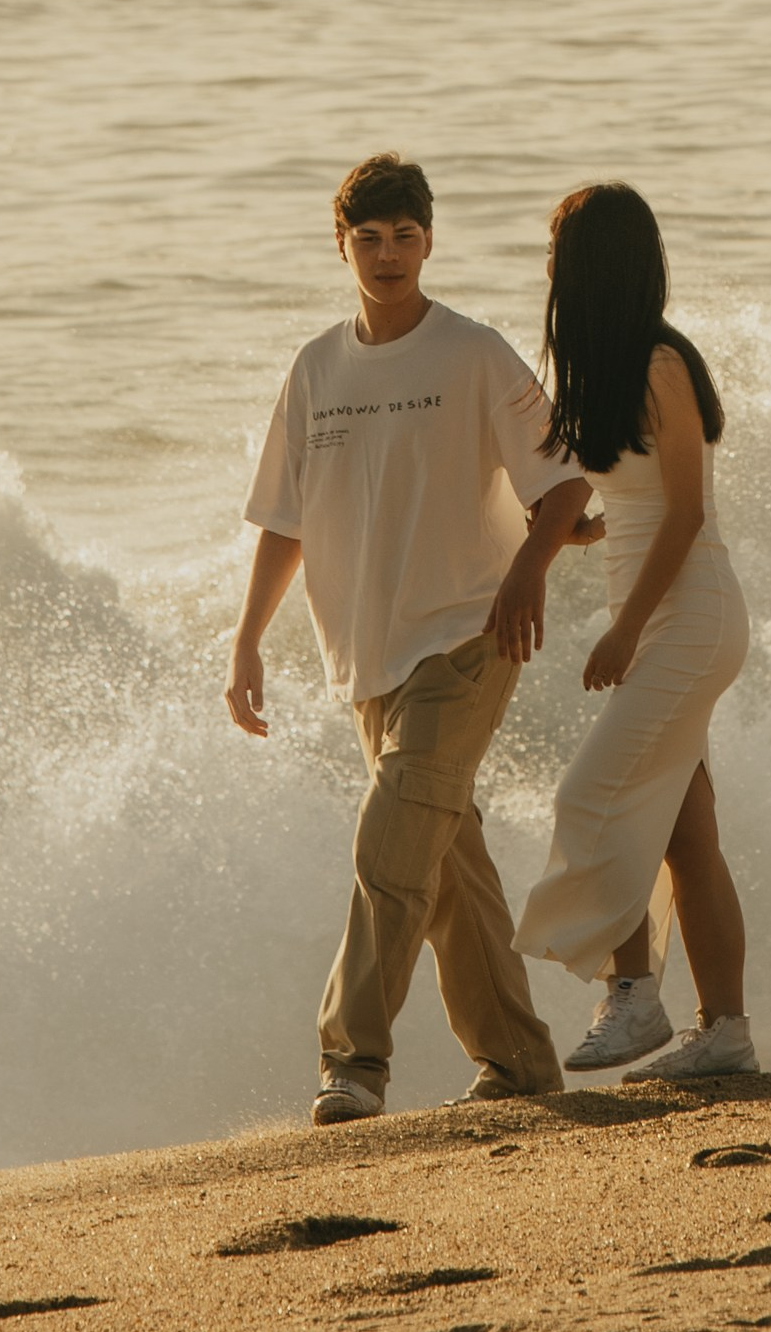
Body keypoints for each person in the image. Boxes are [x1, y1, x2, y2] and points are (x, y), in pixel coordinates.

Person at [225, 152, 597, 1125]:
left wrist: (527, 572)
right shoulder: (316, 369)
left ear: (430, 241)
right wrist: (246, 644)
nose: (388, 256)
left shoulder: (473, 354)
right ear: (340, 244)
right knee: (447, 872)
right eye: (369, 239)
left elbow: (563, 485)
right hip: (365, 659)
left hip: (470, 635)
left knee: (391, 844)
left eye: (405, 237)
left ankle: (351, 1063)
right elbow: (283, 520)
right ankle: (518, 1064)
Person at [512, 182, 758, 1081]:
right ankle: (726, 1030)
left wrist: (624, 630)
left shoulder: (659, 362)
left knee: (591, 799)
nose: (546, 270)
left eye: (555, 254)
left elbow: (688, 513)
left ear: (588, 267)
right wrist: (585, 531)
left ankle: (632, 998)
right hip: (670, 619)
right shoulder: (612, 368)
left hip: (689, 620)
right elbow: (647, 502)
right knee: (686, 839)